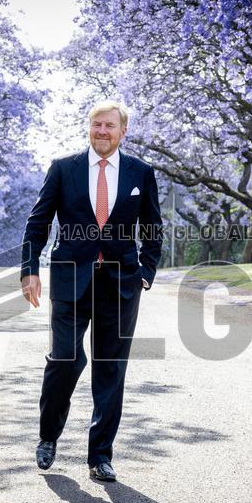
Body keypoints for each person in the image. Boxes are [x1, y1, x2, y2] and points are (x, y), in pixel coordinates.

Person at [21, 100, 163, 482]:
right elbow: (38, 222)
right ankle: (48, 435)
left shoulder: (141, 172)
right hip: (70, 279)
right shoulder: (63, 168)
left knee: (110, 370)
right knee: (65, 359)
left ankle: (99, 456)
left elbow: (152, 225)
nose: (102, 131)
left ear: (123, 132)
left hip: (121, 285)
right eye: (96, 125)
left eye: (109, 126)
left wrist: (146, 272)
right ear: (89, 128)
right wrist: (29, 270)